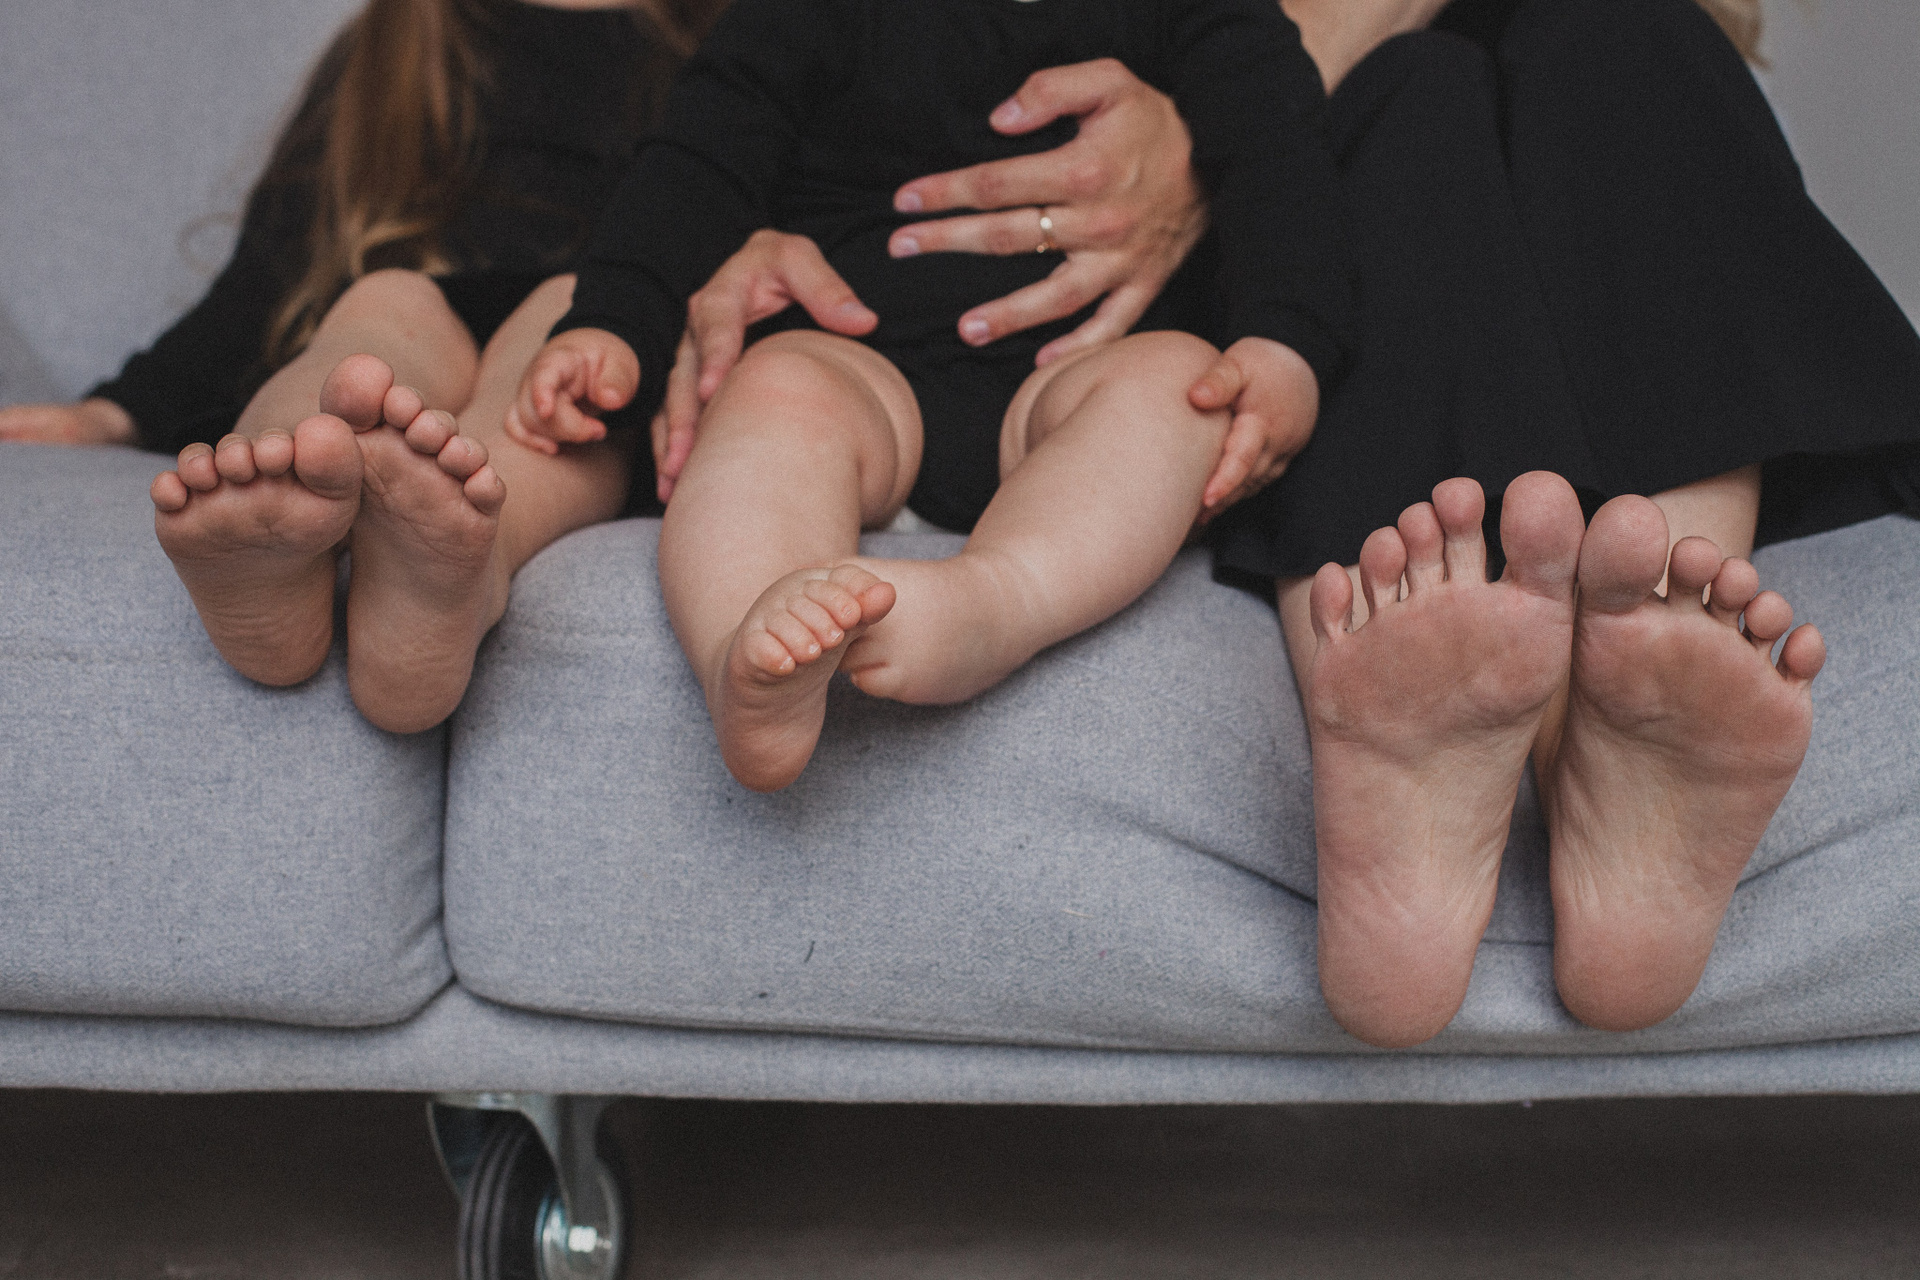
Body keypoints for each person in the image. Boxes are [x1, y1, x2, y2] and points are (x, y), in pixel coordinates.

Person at [650, 0, 1920, 1044]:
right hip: (1274, 228)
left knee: (1629, 31)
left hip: (1314, 153)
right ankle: (1439, 730)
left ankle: (1634, 688)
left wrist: (1226, 118)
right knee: (1416, 100)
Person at [508, 0, 1353, 793]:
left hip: (1075, 376)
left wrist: (1285, 343)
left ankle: (994, 601)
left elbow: (1279, 156)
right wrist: (614, 323)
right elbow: (698, 166)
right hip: (858, 360)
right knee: (776, 388)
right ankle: (746, 651)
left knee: (1179, 385)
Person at [0, 0, 726, 734]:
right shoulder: (404, 37)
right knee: (376, 311)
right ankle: (282, 503)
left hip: (600, 326)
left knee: (571, 350)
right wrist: (115, 411)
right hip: (428, 299)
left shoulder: (731, 46)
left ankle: (459, 573)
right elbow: (262, 277)